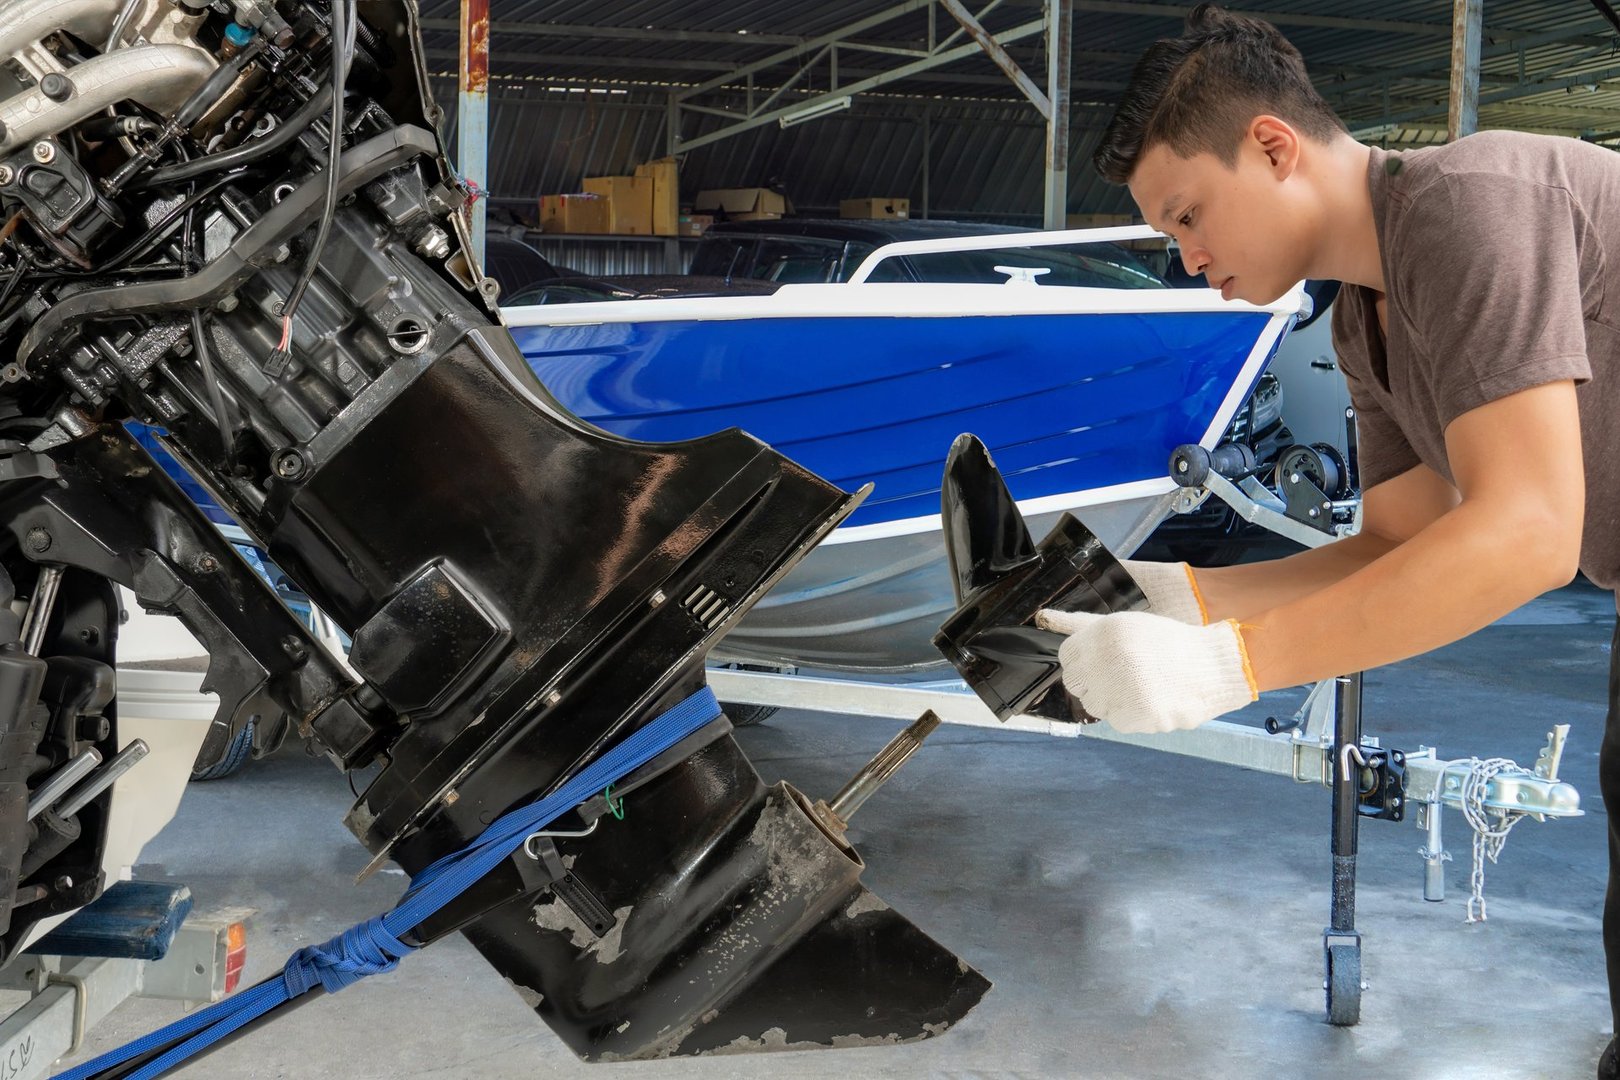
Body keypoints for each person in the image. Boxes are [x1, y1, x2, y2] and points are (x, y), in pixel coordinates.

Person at [1034, 5, 1620, 1075]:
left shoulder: (1471, 207)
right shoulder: (1364, 313)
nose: (1187, 256)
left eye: (1188, 215)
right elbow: (1395, 545)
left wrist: (1231, 666)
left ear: (1272, 146)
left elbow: (1533, 531)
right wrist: (1175, 599)